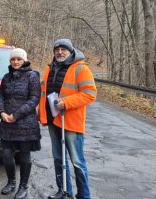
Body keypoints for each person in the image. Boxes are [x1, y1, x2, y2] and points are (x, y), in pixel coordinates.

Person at [38, 39, 97, 199]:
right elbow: (43, 93)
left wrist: (66, 102)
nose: (60, 52)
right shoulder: (49, 69)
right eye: (57, 49)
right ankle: (64, 191)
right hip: (53, 120)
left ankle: (84, 195)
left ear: (71, 51)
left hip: (71, 122)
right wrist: (41, 114)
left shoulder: (81, 69)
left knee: (77, 161)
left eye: (63, 49)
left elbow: (90, 93)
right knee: (58, 158)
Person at [0, 48, 41, 199]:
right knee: (7, 155)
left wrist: (16, 115)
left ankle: (23, 186)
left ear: (24, 60)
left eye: (19, 59)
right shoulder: (6, 77)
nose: (16, 62)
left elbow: (34, 99)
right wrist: (2, 112)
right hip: (7, 122)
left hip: (26, 123)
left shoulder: (32, 76)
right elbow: (0, 96)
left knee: (24, 157)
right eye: (13, 59)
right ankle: (11, 182)